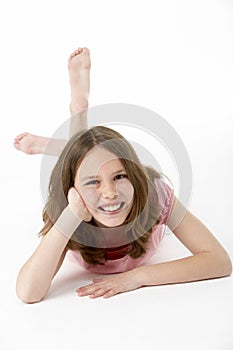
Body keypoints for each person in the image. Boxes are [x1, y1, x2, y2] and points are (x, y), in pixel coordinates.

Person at [14, 47, 232, 304]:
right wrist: (71, 215)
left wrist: (137, 277)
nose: (109, 192)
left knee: (85, 154)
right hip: (73, 190)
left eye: (119, 177)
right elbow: (28, 293)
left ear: (133, 175)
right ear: (73, 191)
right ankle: (77, 114)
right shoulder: (68, 206)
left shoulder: (154, 193)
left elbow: (219, 261)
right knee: (79, 155)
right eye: (93, 182)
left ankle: (65, 141)